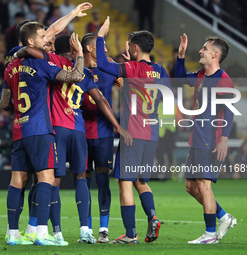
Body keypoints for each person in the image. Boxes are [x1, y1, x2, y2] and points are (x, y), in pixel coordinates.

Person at [16, 34, 132, 244]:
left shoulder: (52, 67)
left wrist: (19, 51)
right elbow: (101, 99)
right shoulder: (85, 72)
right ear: (74, 49)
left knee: (52, 181)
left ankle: (57, 232)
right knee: (81, 178)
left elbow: (32, 56)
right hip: (79, 130)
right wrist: (118, 126)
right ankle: (85, 230)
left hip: (57, 129)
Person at [1, 22, 86, 246]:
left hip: (20, 129)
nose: (45, 40)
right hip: (40, 129)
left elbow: (3, 103)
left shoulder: (10, 67)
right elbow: (77, 76)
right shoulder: (42, 64)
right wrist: (79, 56)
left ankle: (12, 233)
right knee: (46, 179)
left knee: (17, 180)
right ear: (31, 42)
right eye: (41, 36)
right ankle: (40, 233)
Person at [96, 17, 172, 244]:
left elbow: (103, 64)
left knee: (125, 182)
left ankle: (130, 234)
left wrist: (100, 38)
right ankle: (152, 216)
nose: (127, 48)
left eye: (129, 45)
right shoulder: (160, 70)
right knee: (140, 180)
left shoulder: (131, 67)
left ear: (135, 48)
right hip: (152, 134)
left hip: (133, 134)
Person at [174, 33, 237, 244]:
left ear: (215, 54)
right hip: (197, 137)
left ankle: (210, 234)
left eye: (204, 48)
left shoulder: (223, 80)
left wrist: (224, 139)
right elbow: (180, 79)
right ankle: (223, 217)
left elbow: (229, 111)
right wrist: (181, 56)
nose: (200, 51)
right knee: (190, 186)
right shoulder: (201, 75)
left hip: (210, 138)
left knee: (203, 185)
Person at [80, 32, 122, 243]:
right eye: (101, 46)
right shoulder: (76, 71)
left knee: (103, 181)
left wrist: (123, 79)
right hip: (80, 134)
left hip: (104, 134)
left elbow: (128, 84)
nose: (105, 50)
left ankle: (103, 229)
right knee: (83, 182)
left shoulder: (110, 70)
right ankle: (86, 229)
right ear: (89, 48)